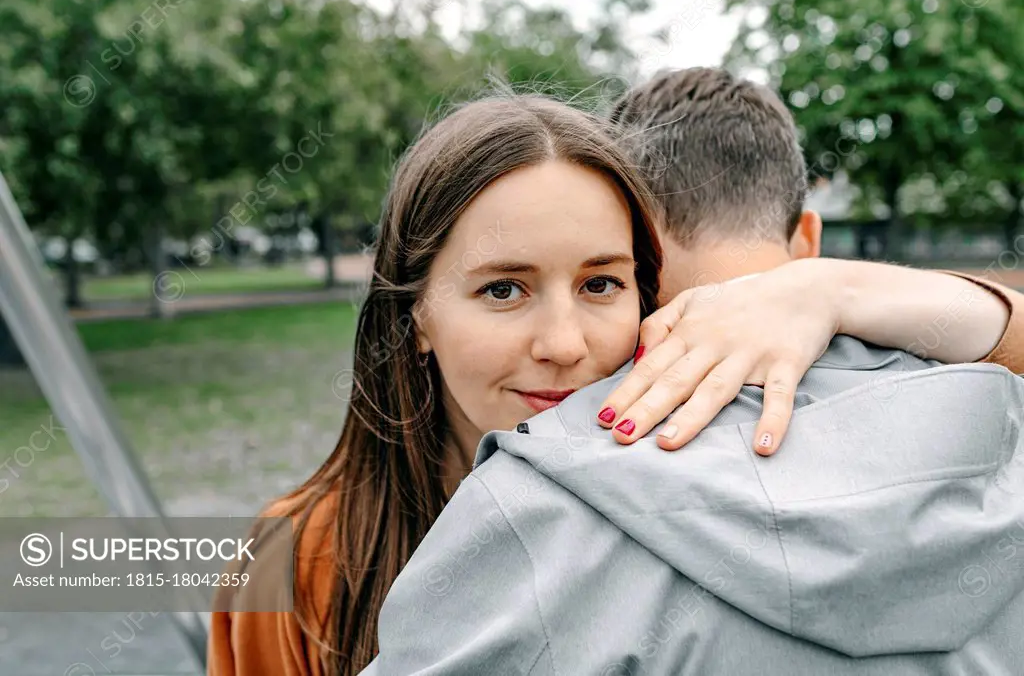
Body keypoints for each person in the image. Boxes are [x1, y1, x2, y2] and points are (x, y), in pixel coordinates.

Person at [209, 87, 1024, 676]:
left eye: (601, 284)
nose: (564, 345)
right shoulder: (293, 556)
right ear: (416, 312)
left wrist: (832, 289)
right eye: (504, 289)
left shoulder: (692, 493)